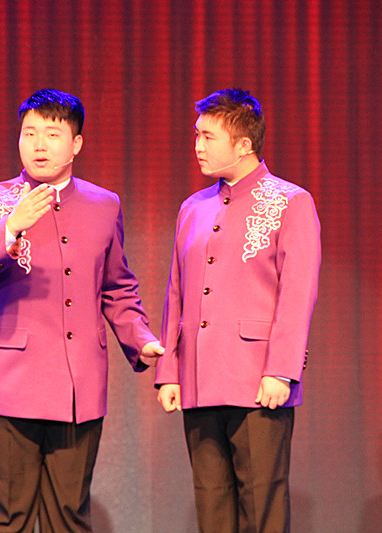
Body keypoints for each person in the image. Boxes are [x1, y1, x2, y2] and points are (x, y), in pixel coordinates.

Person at [0, 88, 163, 533]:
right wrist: (11, 227)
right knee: (5, 519)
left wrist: (140, 339)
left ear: (76, 143)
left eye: (52, 133)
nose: (39, 145)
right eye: (29, 133)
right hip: (8, 385)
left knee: (68, 517)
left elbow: (116, 287)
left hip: (78, 386)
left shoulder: (104, 205)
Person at [155, 88, 321, 532]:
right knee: (212, 505)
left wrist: (281, 370)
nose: (198, 146)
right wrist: (169, 371)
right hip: (198, 378)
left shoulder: (290, 201)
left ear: (244, 144)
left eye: (208, 137)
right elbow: (176, 293)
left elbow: (298, 292)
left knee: (261, 504)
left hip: (257, 378)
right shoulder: (192, 208)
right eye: (197, 135)